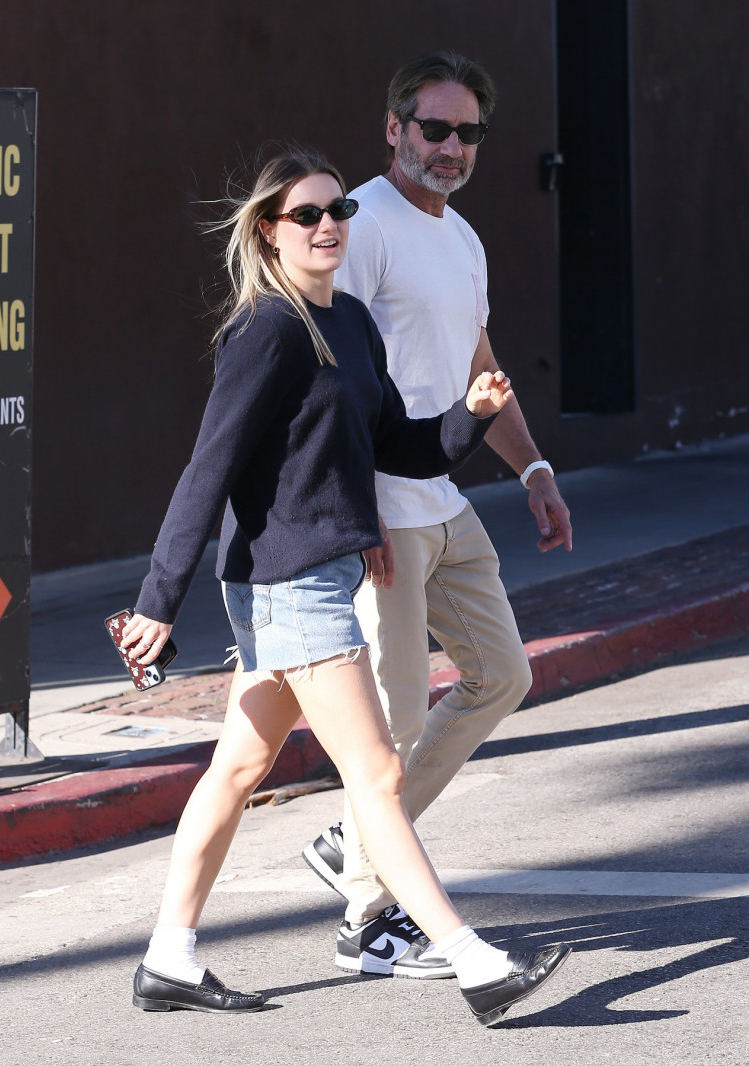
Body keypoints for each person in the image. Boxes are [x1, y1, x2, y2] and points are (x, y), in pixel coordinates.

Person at [122, 148, 571, 1027]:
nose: (329, 226)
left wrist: (470, 418)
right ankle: (476, 963)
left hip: (311, 574)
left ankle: (167, 959)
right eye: (307, 216)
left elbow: (393, 448)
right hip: (289, 587)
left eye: (339, 213)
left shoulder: (352, 323)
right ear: (268, 231)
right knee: (375, 775)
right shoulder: (267, 330)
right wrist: (156, 597)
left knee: (238, 768)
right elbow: (207, 469)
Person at [302, 52, 574, 978]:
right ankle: (368, 922)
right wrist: (357, 512)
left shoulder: (461, 238)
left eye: (468, 133)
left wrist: (531, 464)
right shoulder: (362, 225)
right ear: (394, 129)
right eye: (434, 128)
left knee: (501, 675)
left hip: (444, 497)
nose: (451, 147)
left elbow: (476, 359)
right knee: (395, 718)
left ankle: (354, 842)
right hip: (383, 505)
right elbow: (334, 377)